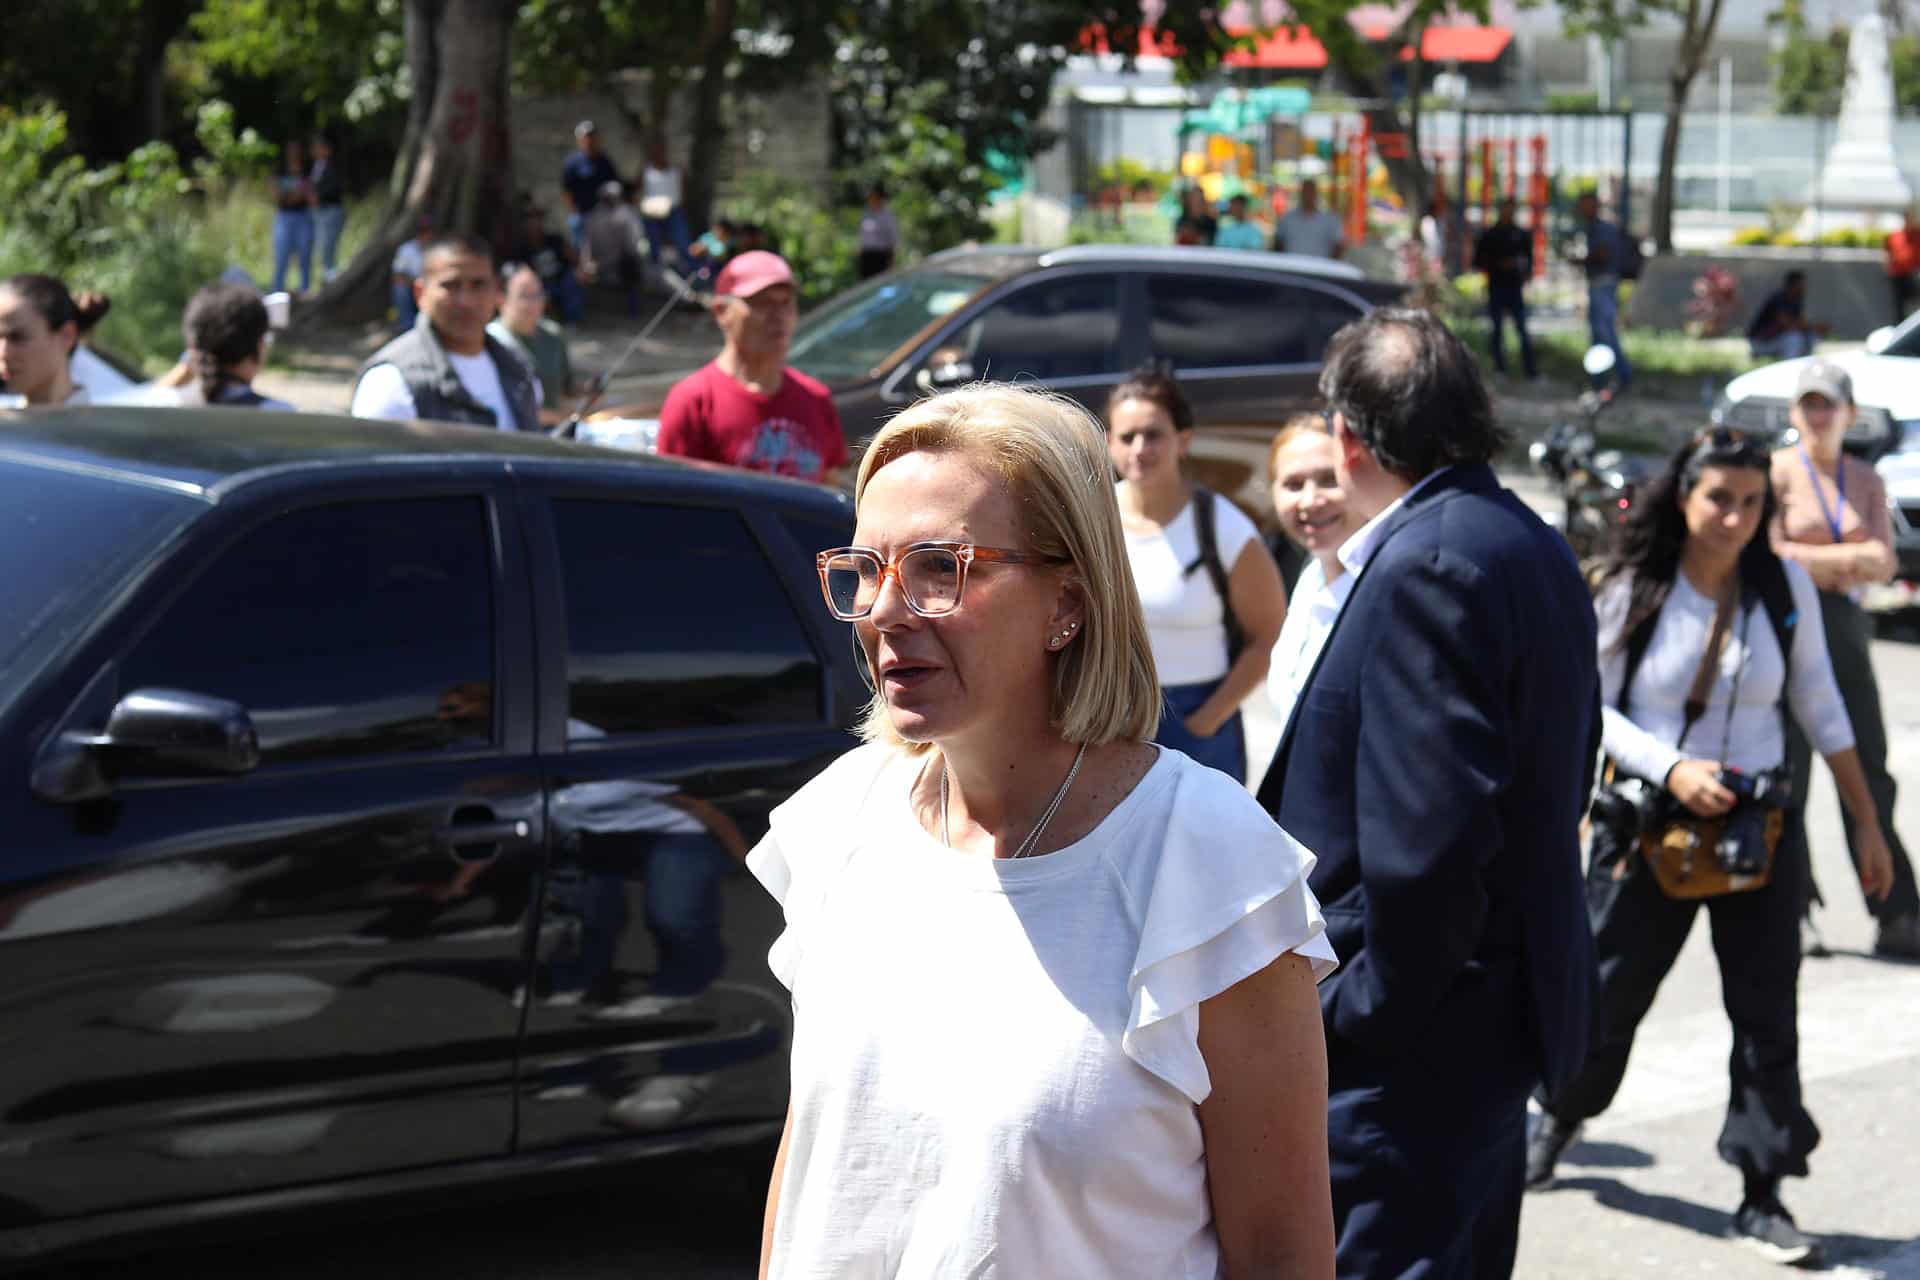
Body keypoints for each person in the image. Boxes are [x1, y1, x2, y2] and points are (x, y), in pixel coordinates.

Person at [748, 382, 1338, 1278]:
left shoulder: (1208, 866)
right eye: (866, 570)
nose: (884, 610)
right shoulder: (838, 822)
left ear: (1069, 601)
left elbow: (1282, 1252)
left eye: (940, 567)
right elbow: (813, 1178)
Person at [1254, 308, 1600, 1280]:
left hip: (1416, 1050)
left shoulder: (1429, 562)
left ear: (1351, 437)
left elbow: (1430, 843)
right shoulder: (1521, 536)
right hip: (1478, 1024)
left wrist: (1362, 1012)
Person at [1527, 425, 1893, 1269]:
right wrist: (1672, 767)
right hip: (1648, 827)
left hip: (1756, 834)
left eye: (1751, 501)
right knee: (1606, 993)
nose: (1734, 517)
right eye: (1718, 498)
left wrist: (1866, 821)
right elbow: (1595, 704)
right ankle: (1558, 1119)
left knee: (1766, 1012)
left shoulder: (1782, 587)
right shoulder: (1634, 587)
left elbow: (1822, 706)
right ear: (1683, 498)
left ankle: (1763, 1191)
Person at [1770, 360, 1917, 959]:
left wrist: (1822, 558)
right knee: (1790, 775)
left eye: (1828, 403)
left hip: (1847, 631)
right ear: (1793, 412)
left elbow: (1886, 560)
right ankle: (1792, 905)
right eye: (1808, 404)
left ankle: (1896, 906)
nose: (1818, 415)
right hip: (1790, 625)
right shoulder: (1778, 474)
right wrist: (1843, 560)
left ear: (1849, 413)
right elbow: (1772, 551)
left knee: (1869, 771)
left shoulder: (1864, 478)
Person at [1107, 369, 1286, 783]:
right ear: (1109, 443)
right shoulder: (1094, 519)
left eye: (1153, 435)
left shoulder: (1222, 525)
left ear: (1183, 440)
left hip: (1198, 724)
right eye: (1126, 436)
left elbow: (1269, 634)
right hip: (1113, 722)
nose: (1139, 449)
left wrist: (1208, 718)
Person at [656, 251, 846, 485]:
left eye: (786, 302)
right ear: (721, 311)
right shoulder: (694, 401)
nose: (778, 316)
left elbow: (831, 489)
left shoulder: (817, 399)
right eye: (762, 303)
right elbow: (675, 499)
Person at [350, 235, 541, 432]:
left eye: (478, 285)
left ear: (496, 291)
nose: (466, 301)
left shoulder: (519, 371)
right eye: (451, 286)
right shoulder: (391, 384)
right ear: (420, 293)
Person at [1264, 413, 1362, 734]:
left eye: (1329, 479)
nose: (1310, 500)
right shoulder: (1310, 578)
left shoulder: (1387, 589)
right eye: (1293, 485)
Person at [173, 283, 295, 410]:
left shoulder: (163, 406)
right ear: (260, 346)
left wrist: (187, 364)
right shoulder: (284, 415)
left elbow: (156, 394)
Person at [0, 275, 113, 407]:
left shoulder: (104, 426)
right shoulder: (9, 424)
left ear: (66, 336)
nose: (3, 353)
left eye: (17, 337)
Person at [488, 264, 576, 428]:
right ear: (501, 298)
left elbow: (567, 390)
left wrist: (590, 390)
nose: (534, 304)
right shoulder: (491, 342)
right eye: (524, 296)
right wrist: (557, 418)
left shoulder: (553, 335)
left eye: (537, 295)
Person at [1474, 195, 1539, 379]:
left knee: (1522, 328)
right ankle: (1499, 367)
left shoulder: (1521, 234)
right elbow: (1478, 261)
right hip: (1496, 286)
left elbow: (1529, 262)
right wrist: (1498, 264)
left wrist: (1522, 272)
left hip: (1515, 288)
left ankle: (1530, 370)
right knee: (1496, 329)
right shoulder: (1490, 234)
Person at [1574, 192, 1632, 390]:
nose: (1582, 210)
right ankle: (1599, 378)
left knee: (1605, 333)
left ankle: (1623, 375)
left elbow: (1603, 254)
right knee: (1598, 335)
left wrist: (1582, 260)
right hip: (1598, 284)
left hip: (1604, 285)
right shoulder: (1592, 228)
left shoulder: (1603, 229)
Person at [513, 201, 584, 324]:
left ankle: (572, 322)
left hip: (561, 279)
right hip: (539, 284)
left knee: (571, 282)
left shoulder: (554, 240)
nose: (534, 223)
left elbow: (574, 258)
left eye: (537, 219)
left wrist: (579, 269)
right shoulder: (522, 249)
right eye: (530, 219)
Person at [582, 179, 645, 318]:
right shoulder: (596, 218)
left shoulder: (625, 215)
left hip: (616, 263)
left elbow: (633, 244)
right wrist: (587, 264)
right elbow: (587, 246)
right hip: (606, 264)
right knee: (632, 264)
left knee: (632, 264)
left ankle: (633, 310)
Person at [561, 120, 619, 250]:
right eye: (587, 137)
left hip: (603, 215)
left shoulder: (605, 161)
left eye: (593, 137)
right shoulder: (572, 163)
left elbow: (614, 185)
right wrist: (575, 211)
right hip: (582, 214)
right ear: (580, 140)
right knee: (580, 247)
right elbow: (566, 191)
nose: (591, 140)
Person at [1747, 270, 1829, 360]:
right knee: (1794, 338)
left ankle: (1802, 368)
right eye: (1801, 285)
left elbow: (1800, 322)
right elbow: (1787, 324)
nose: (1804, 288)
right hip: (1760, 341)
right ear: (1792, 285)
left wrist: (1814, 329)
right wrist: (1814, 327)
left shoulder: (1797, 300)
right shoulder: (1778, 299)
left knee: (1809, 337)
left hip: (1777, 339)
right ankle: (1790, 370)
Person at [269, 141, 315, 296]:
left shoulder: (307, 170)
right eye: (291, 150)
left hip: (303, 217)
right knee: (281, 257)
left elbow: (308, 195)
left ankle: (305, 292)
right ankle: (277, 294)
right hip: (283, 217)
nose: (293, 154)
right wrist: (293, 195)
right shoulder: (279, 170)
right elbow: (275, 194)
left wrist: (290, 196)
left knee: (304, 257)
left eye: (296, 150)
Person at [638, 139, 692, 269]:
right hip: (652, 213)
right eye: (655, 151)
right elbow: (638, 192)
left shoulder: (677, 170)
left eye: (661, 150)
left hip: (674, 211)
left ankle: (689, 269)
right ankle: (655, 271)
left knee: (682, 242)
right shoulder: (645, 171)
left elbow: (683, 191)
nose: (659, 154)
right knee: (653, 245)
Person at [1273, 180, 1344, 259]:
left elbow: (1338, 245)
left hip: (1320, 268)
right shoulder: (1287, 219)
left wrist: (1330, 265)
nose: (1308, 195)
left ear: (1316, 194)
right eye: (1305, 192)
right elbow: (1278, 244)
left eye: (1311, 192)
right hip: (1292, 267)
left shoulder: (1330, 220)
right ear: (1301, 193)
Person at [309, 134, 347, 283]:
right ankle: (327, 277)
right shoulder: (315, 166)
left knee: (328, 247)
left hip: (331, 211)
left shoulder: (334, 166)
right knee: (322, 247)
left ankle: (331, 279)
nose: (316, 151)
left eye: (319, 148)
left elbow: (336, 188)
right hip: (319, 212)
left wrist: (320, 197)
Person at [391, 216, 432, 335]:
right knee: (400, 288)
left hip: (430, 285)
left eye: (427, 231)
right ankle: (407, 326)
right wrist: (414, 282)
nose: (425, 235)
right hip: (412, 285)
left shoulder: (438, 249)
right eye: (422, 231)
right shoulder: (406, 249)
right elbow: (397, 275)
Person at [1884, 208, 1919, 325]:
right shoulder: (1894, 235)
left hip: (1914, 275)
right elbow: (1887, 253)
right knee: (1898, 305)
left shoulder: (1918, 235)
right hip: (1897, 275)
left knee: (1915, 303)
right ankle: (1899, 328)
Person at [855, 184, 898, 278]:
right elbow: (862, 235)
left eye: (873, 197)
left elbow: (892, 238)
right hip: (866, 256)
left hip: (880, 255)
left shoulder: (887, 215)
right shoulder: (866, 213)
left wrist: (892, 260)